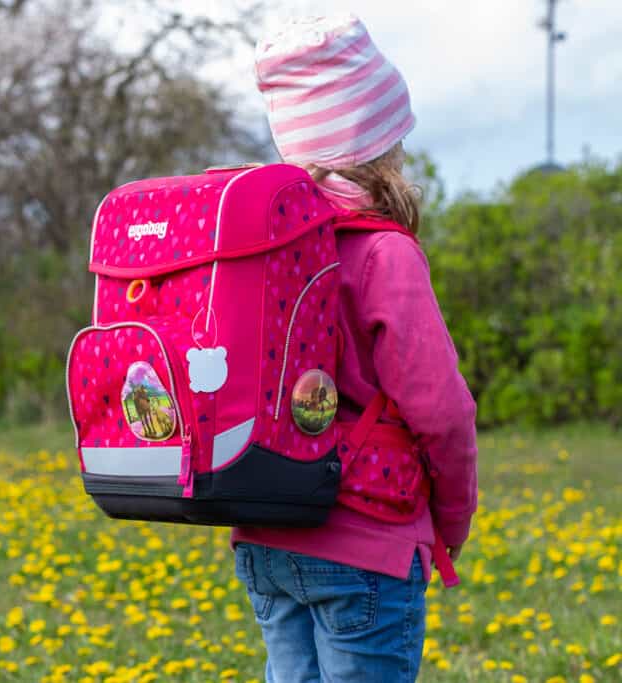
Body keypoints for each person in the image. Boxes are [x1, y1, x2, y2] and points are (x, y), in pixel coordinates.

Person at [231, 14, 479, 683]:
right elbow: (441, 409)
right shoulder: (384, 254)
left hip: (266, 531)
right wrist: (452, 514)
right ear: (381, 145)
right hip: (366, 537)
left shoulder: (260, 249)